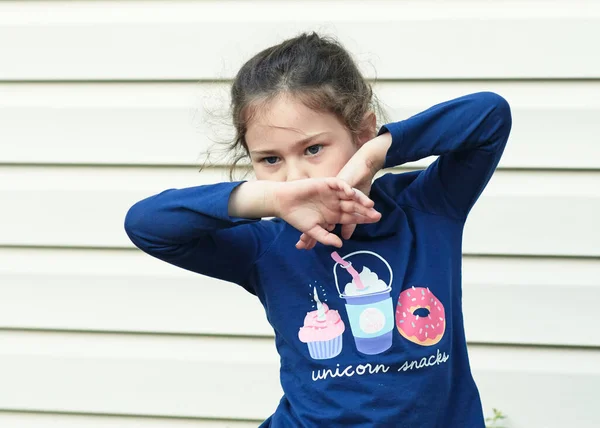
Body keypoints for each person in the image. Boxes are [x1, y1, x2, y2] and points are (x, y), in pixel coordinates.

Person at [124, 32, 512, 428]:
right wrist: (269, 200)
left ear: (360, 133)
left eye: (313, 149)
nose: (295, 176)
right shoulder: (267, 245)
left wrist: (373, 155)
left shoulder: (428, 207)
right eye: (270, 159)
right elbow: (146, 225)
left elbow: (489, 116)